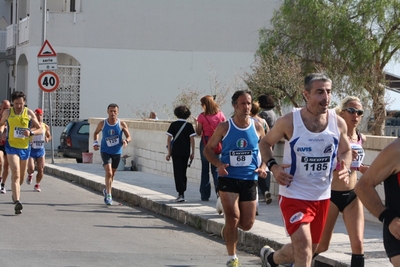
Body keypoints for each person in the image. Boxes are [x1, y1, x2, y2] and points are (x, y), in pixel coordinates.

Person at [258, 73, 352, 267]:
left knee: (312, 248)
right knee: (304, 248)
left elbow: (346, 150)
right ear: (306, 94)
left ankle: (271, 259)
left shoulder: (338, 123)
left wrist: (345, 165)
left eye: (328, 92)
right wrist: (273, 167)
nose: (325, 98)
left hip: (322, 196)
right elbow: (265, 142)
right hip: (294, 194)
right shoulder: (289, 122)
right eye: (319, 92)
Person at [203, 90, 267, 267]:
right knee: (233, 218)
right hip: (228, 177)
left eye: (249, 103)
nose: (246, 107)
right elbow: (208, 149)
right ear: (234, 106)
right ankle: (232, 257)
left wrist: (263, 167)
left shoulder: (258, 127)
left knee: (246, 224)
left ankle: (229, 230)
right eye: (242, 104)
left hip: (249, 179)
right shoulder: (225, 127)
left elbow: (266, 151)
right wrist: (218, 164)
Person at [314, 96, 368, 267]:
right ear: (342, 112)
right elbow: (321, 163)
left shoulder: (361, 138)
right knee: (321, 245)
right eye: (351, 111)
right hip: (331, 196)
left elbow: (354, 165)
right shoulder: (331, 136)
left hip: (353, 195)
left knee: (358, 244)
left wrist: (361, 168)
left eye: (359, 112)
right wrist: (339, 163)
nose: (356, 116)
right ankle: (279, 258)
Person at [354, 138, 400, 266]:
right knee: (319, 245)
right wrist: (388, 218)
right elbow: (363, 187)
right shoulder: (396, 150)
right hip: (397, 235)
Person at [0, 91, 43, 214]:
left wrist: (31, 132)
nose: (19, 106)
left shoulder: (28, 113)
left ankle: (15, 193)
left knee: (22, 177)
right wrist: (2, 132)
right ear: (12, 103)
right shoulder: (8, 112)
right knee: (16, 173)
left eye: (21, 103)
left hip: (25, 147)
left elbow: (39, 127)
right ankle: (17, 201)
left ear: (24, 103)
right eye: (16, 103)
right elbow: (2, 124)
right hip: (11, 147)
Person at [93, 103, 131, 205]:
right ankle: (109, 195)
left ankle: (106, 189)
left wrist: (126, 141)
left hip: (117, 152)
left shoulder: (121, 124)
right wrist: (95, 143)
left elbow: (129, 137)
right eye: (111, 111)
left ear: (117, 112)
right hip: (105, 151)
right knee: (109, 172)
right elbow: (95, 133)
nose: (112, 113)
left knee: (113, 174)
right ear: (107, 112)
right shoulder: (103, 123)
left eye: (115, 111)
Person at [194, 95, 226, 201]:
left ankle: (204, 194)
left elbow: (198, 132)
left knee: (204, 170)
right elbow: (226, 129)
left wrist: (196, 123)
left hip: (205, 142)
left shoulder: (202, 116)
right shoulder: (221, 115)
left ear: (204, 105)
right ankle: (219, 193)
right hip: (217, 143)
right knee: (216, 169)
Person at [166, 105, 196, 202]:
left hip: (176, 152)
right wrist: (193, 153)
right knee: (183, 171)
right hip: (186, 152)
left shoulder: (173, 125)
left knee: (177, 171)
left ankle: (180, 193)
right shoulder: (189, 126)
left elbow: (169, 139)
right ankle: (183, 191)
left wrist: (169, 152)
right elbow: (192, 140)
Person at [250, 101, 271, 205]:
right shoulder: (262, 121)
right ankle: (266, 190)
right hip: (263, 147)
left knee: (256, 170)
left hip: (254, 148)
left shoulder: (249, 121)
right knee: (264, 168)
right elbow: (269, 132)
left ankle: (258, 193)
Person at [26, 108, 52, 192]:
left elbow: (49, 136)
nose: (39, 117)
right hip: (31, 150)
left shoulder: (45, 126)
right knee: (31, 168)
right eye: (37, 115)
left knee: (41, 169)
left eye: (40, 115)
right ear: (34, 115)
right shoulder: (30, 125)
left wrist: (48, 139)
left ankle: (37, 184)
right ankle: (30, 174)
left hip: (40, 150)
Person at [258, 94, 277, 204]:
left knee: (262, 165)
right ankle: (267, 190)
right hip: (273, 142)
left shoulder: (263, 114)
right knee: (268, 165)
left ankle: (263, 191)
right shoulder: (273, 113)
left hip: (265, 142)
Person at [0, 100, 11, 194]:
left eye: (7, 108)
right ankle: (0, 179)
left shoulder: (11, 117)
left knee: (7, 166)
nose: (5, 110)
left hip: (8, 144)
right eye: (4, 108)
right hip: (0, 144)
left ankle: (3, 184)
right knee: (0, 161)